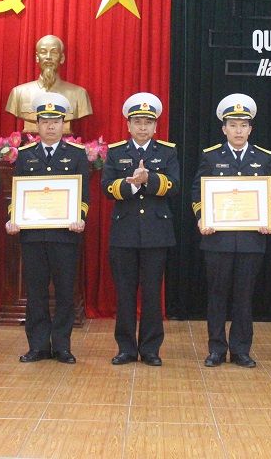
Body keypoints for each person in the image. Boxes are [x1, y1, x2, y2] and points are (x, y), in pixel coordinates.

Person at [191, 94, 271, 368]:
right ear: (224, 128)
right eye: (233, 125)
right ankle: (216, 349)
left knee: (244, 298)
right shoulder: (210, 156)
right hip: (218, 239)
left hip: (251, 239)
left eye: (243, 125)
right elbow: (197, 191)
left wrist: (270, 216)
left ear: (250, 129)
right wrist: (202, 217)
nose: (238, 130)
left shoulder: (263, 157)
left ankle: (240, 350)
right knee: (217, 296)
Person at [6, 92, 90, 364]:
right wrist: (13, 218)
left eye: (55, 122)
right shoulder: (25, 155)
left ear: (64, 124)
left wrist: (79, 216)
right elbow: (17, 192)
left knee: (65, 292)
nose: (50, 126)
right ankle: (38, 345)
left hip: (66, 235)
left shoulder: (76, 155)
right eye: (45, 121)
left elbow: (83, 194)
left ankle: (62, 346)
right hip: (33, 236)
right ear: (37, 125)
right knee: (36, 292)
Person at [101, 93, 179, 367]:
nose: (143, 127)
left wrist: (150, 179)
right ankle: (125, 348)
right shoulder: (116, 152)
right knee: (124, 294)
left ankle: (150, 349)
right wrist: (132, 185)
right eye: (137, 122)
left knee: (152, 294)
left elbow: (174, 185)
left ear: (155, 126)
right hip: (124, 233)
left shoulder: (167, 151)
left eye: (148, 122)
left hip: (157, 233)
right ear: (128, 125)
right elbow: (107, 187)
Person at [5, 34, 93, 133]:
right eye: (43, 52)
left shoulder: (79, 94)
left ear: (62, 58)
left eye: (54, 52)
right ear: (37, 57)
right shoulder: (18, 93)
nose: (48, 57)